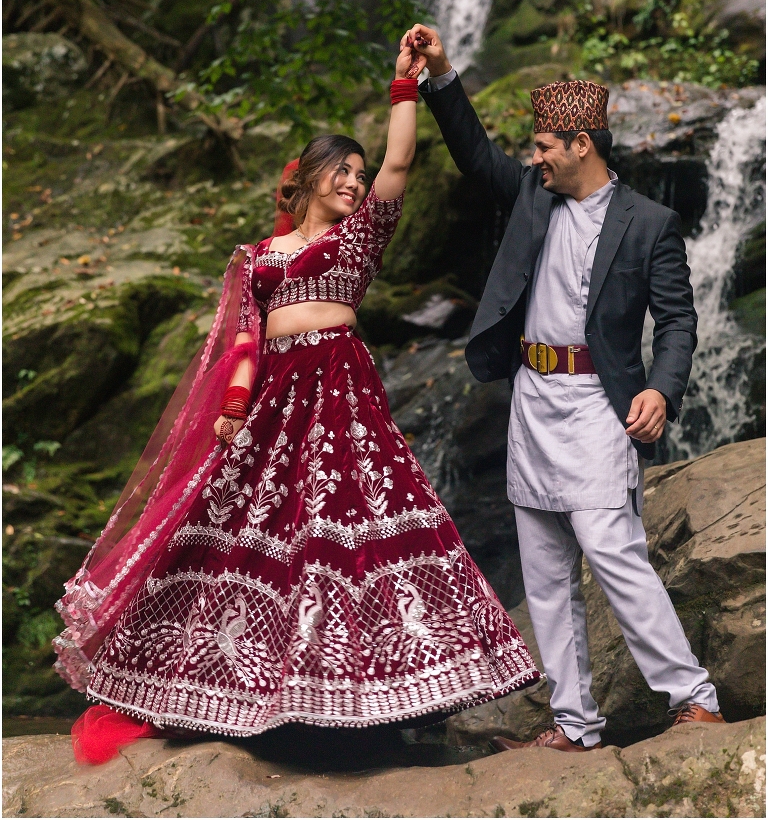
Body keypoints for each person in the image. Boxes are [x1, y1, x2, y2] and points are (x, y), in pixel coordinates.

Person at [54, 42, 539, 764]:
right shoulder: (259, 257)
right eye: (341, 171)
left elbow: (401, 161)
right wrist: (235, 401)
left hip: (341, 392)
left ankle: (363, 699)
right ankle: (237, 689)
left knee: (346, 529)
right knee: (235, 532)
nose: (355, 180)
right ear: (308, 178)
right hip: (275, 402)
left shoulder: (360, 238)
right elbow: (244, 339)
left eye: (358, 172)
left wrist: (405, 82)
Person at [405, 22, 724, 754]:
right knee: (545, 571)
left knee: (613, 551)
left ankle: (695, 698)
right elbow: (472, 151)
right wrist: (441, 73)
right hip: (532, 398)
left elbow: (678, 320)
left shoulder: (650, 223)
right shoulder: (531, 195)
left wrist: (663, 390)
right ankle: (577, 723)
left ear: (582, 142)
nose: (534, 154)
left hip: (596, 404)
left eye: (546, 143)